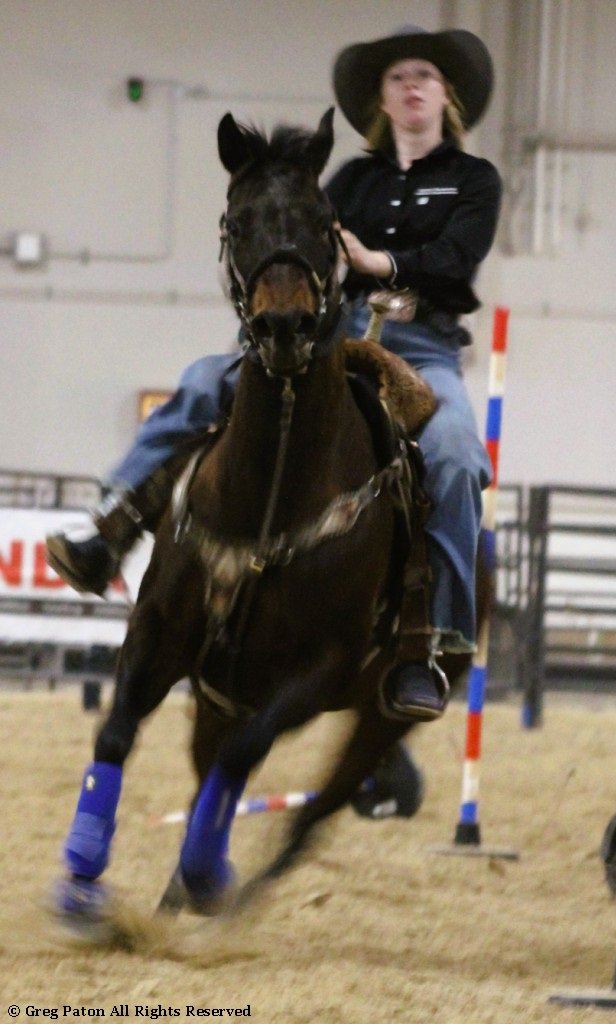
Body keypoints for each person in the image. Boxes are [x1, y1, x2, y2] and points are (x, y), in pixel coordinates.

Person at [46, 25, 502, 720]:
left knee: (457, 456)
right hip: (332, 335)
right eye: (398, 77)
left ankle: (432, 640)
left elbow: (457, 258)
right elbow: (299, 242)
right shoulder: (349, 181)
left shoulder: (475, 181)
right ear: (382, 100)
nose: (412, 86)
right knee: (203, 381)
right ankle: (111, 531)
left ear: (447, 96)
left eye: (426, 76)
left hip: (425, 349)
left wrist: (379, 263)